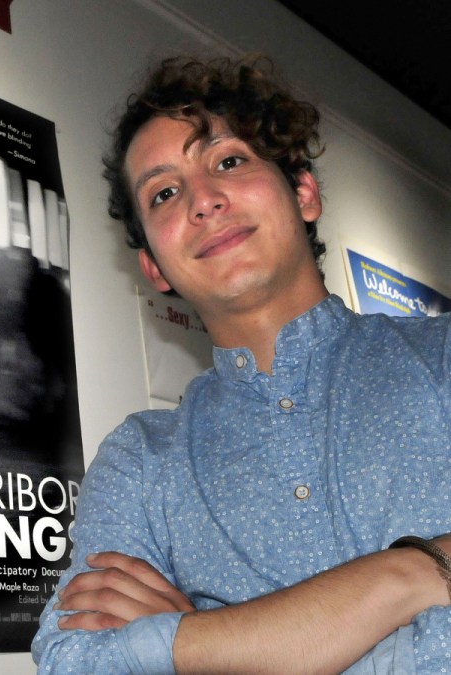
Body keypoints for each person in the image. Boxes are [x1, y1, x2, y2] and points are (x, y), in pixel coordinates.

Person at [32, 55, 451, 673]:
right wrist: (413, 571)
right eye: (165, 192)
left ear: (304, 192)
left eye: (229, 161)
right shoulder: (142, 459)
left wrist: (195, 644)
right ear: (154, 267)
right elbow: (76, 661)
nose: (203, 201)